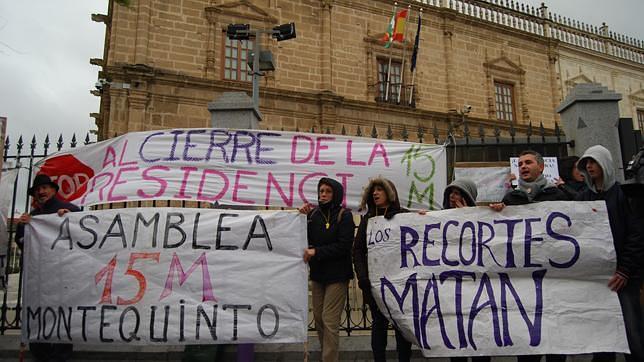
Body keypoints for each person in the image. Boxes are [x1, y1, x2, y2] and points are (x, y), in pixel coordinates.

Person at [489, 150, 567, 362]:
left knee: (554, 337)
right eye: (520, 163)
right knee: (526, 338)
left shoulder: (558, 196)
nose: (523, 166)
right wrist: (499, 212)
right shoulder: (511, 199)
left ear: (541, 167)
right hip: (523, 280)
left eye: (528, 162)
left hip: (552, 279)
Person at [575, 145, 643, 362]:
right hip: (596, 279)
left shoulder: (625, 196)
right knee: (602, 334)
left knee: (633, 332)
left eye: (593, 161)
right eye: (586, 163)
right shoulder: (583, 197)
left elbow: (636, 235)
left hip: (624, 278)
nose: (589, 166)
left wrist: (624, 270)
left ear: (604, 163)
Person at [16, 174, 80, 362]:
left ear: (53, 190)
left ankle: (60, 353)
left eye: (44, 188)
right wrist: (23, 227)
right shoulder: (33, 217)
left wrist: (70, 218)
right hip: (40, 277)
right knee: (40, 314)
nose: (41, 192)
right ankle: (40, 351)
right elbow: (24, 245)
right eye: (37, 190)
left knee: (62, 313)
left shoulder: (68, 209)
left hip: (62, 274)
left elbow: (83, 232)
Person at [353, 177, 413, 362]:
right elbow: (358, 250)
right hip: (375, 285)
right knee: (379, 326)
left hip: (400, 284)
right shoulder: (368, 219)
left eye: (380, 189)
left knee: (402, 327)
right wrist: (363, 278)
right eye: (373, 190)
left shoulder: (403, 216)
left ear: (390, 193)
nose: (375, 193)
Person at [299, 177, 354, 362]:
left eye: (328, 191)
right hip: (318, 275)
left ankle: (329, 359)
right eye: (321, 191)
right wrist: (301, 218)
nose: (323, 194)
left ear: (336, 194)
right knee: (319, 318)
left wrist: (317, 252)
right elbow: (302, 240)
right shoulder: (313, 216)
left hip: (337, 276)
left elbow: (344, 245)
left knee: (329, 320)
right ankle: (326, 354)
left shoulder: (343, 215)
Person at [443, 180, 490, 362]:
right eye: (451, 193)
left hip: (476, 287)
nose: (453, 197)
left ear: (467, 197)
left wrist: (467, 218)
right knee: (457, 334)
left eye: (458, 193)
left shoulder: (481, 217)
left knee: (479, 332)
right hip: (454, 287)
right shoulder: (440, 217)